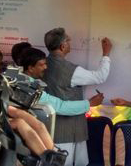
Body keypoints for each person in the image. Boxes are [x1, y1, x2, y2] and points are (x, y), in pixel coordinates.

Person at [43, 27, 112, 166]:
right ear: (63, 46)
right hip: (68, 130)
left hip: (51, 126)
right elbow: (100, 77)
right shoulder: (70, 70)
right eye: (68, 41)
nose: (70, 43)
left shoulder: (43, 64)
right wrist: (106, 54)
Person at [19, 47, 104, 115]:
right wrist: (89, 103)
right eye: (41, 65)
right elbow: (59, 106)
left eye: (45, 64)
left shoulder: (18, 78)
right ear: (30, 68)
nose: (45, 67)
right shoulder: (29, 88)